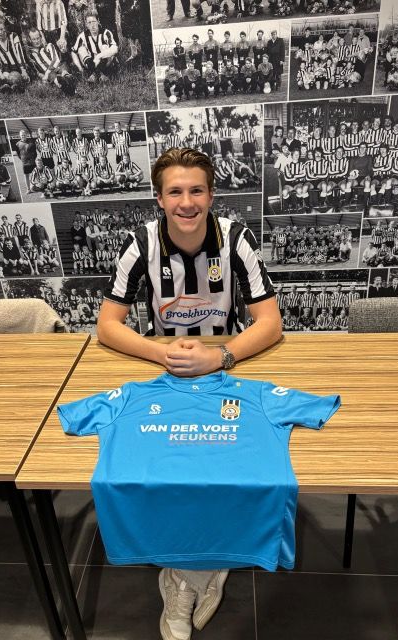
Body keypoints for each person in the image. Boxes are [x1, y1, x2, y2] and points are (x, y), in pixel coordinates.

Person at [97, 147, 281, 640]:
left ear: (211, 195)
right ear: (159, 199)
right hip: (168, 367)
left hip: (225, 366)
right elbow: (107, 326)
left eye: (196, 190)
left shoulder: (236, 238)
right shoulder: (140, 243)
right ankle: (202, 569)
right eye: (175, 191)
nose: (186, 202)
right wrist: (162, 355)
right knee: (168, 471)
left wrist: (220, 357)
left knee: (226, 468)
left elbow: (270, 323)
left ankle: (188, 575)